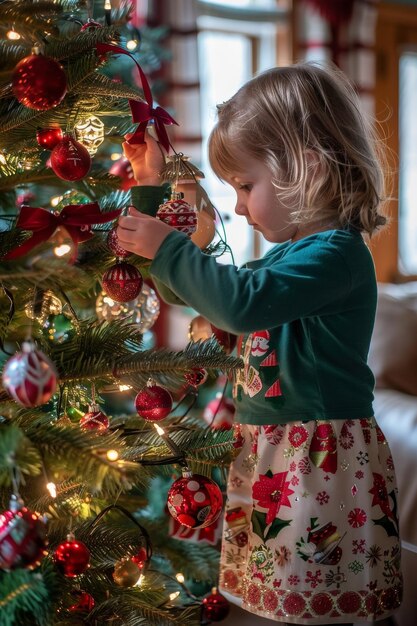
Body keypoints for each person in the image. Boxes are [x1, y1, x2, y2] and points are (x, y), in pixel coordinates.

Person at [117, 62, 403, 625]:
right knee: (278, 604)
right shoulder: (289, 256)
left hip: (317, 459)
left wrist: (172, 250)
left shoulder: (337, 256)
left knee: (315, 608)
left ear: (308, 169)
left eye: (247, 186)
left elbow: (239, 302)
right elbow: (188, 292)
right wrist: (150, 196)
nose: (241, 207)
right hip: (279, 452)